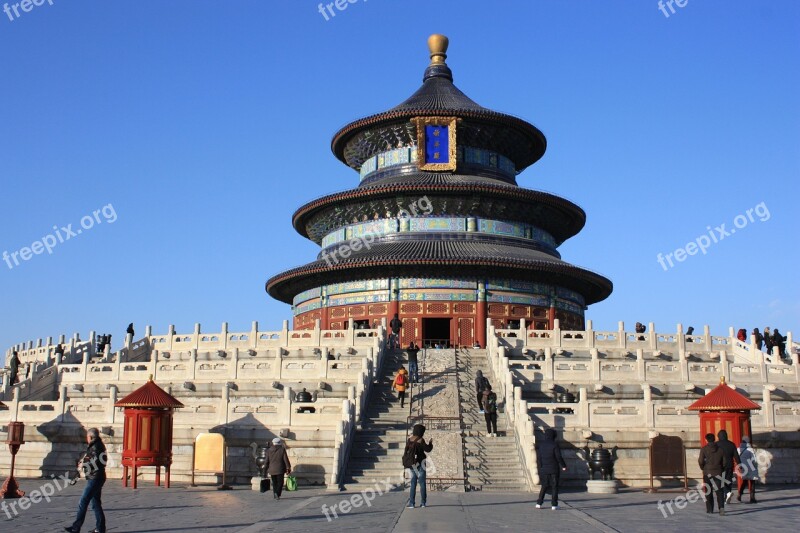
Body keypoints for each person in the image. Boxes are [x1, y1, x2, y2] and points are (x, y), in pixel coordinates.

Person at [64, 428, 107, 533]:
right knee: (95, 503)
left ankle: (76, 527)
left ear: (91, 437)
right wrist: (83, 462)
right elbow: (91, 459)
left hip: (95, 478)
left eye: (87, 436)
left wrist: (84, 464)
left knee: (83, 501)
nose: (86, 438)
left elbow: (96, 462)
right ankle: (100, 529)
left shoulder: (96, 446)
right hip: (96, 477)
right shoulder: (96, 445)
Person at [535, 428, 567, 510]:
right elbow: (558, 457)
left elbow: (539, 458)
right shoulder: (554, 444)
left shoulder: (541, 445)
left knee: (544, 486)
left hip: (544, 468)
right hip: (554, 468)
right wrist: (563, 466)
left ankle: (539, 503)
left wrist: (541, 467)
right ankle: (554, 504)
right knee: (554, 486)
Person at [405, 424, 433, 508]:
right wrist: (430, 443)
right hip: (421, 463)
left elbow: (406, 452)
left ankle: (412, 503)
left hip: (413, 463)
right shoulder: (421, 440)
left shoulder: (409, 440)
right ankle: (423, 502)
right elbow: (428, 449)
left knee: (413, 483)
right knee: (422, 483)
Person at [699, 433, 728, 515]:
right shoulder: (721, 449)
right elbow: (725, 462)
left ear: (706, 440)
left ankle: (710, 509)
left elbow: (700, 461)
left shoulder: (704, 449)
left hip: (707, 472)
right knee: (720, 491)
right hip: (718, 472)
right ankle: (721, 507)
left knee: (708, 491)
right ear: (714, 439)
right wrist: (722, 468)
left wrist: (703, 468)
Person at [717, 429, 740, 504]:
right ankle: (727, 497)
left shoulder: (717, 444)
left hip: (720, 466)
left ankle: (727, 493)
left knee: (720, 481)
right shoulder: (731, 444)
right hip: (730, 465)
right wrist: (739, 464)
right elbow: (736, 456)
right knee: (728, 480)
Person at [736, 437, 758, 503]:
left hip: (743, 467)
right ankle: (752, 498)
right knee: (752, 482)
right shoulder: (750, 449)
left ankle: (740, 494)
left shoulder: (738, 449)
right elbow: (754, 460)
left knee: (744, 481)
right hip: (751, 467)